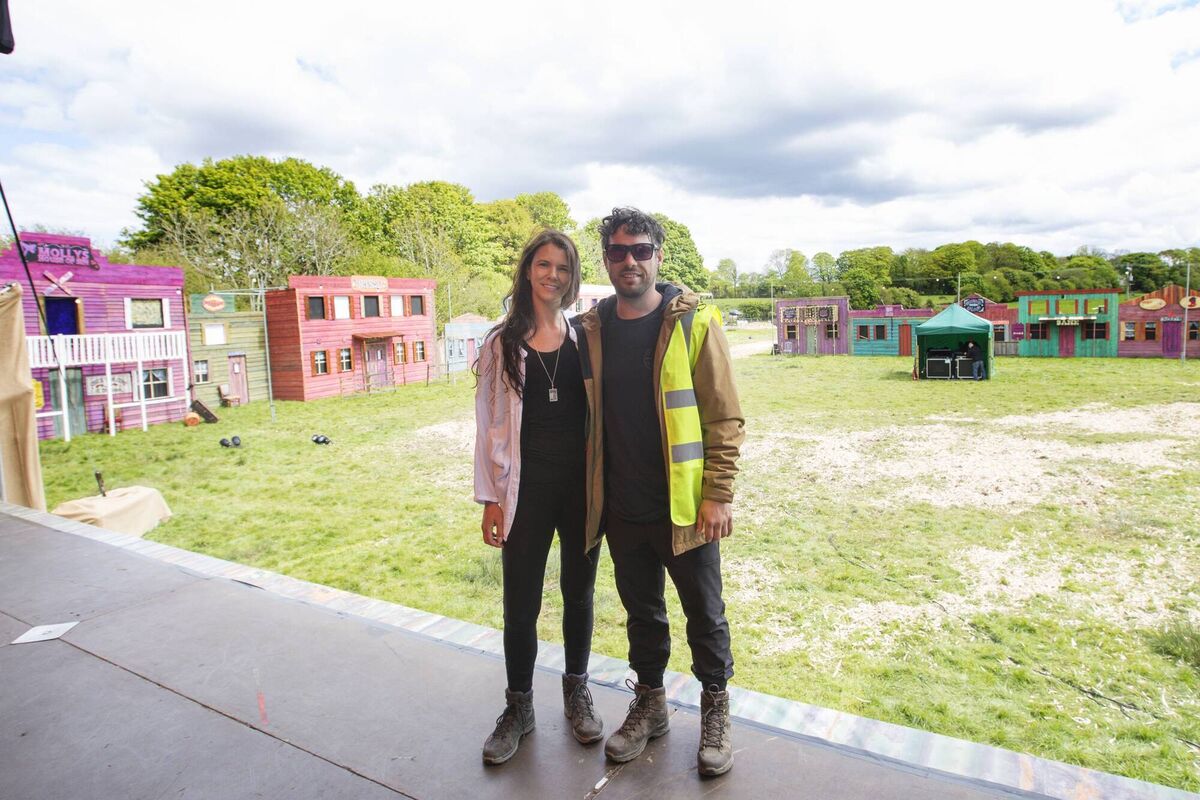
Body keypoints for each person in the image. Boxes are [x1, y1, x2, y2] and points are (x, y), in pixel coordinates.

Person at [574, 207, 745, 776]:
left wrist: (717, 494)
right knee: (641, 614)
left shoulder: (694, 323)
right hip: (623, 507)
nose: (630, 261)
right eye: (619, 252)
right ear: (606, 259)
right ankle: (650, 703)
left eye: (641, 250)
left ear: (658, 257)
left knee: (705, 616)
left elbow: (724, 418)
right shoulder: (593, 328)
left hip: (684, 507)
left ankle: (715, 707)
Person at [473, 230, 603, 765]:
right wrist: (490, 499)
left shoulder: (585, 340)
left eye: (564, 268)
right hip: (523, 492)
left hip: (580, 491)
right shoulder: (500, 343)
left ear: (572, 279)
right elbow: (485, 426)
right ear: (529, 270)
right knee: (520, 602)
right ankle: (519, 707)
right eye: (544, 264)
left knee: (580, 595)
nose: (553, 275)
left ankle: (576, 691)